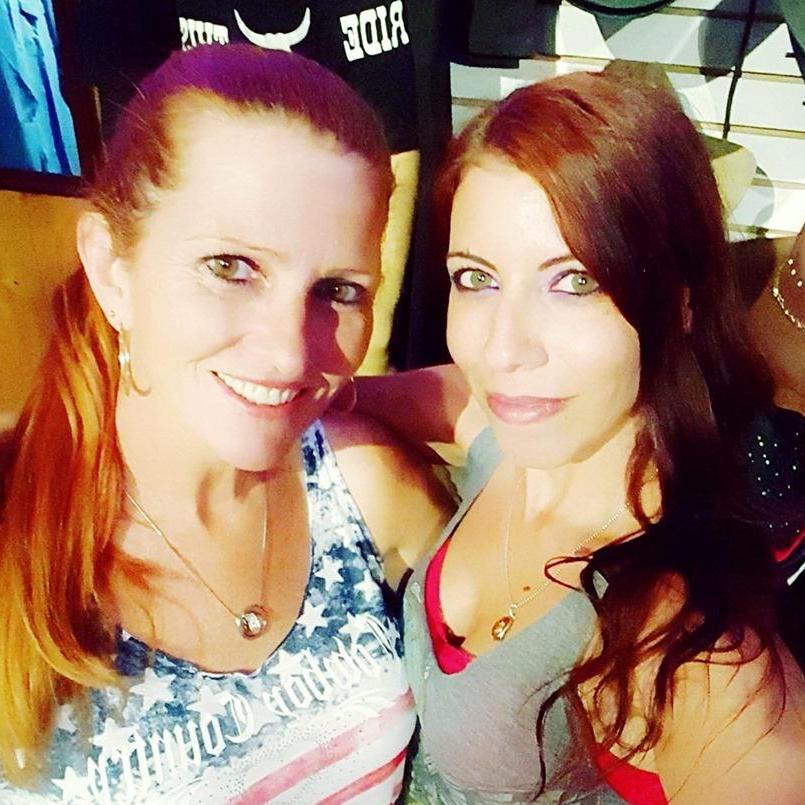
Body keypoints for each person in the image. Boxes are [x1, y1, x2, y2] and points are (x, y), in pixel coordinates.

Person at [0, 44, 451, 802]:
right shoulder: (17, 529)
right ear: (112, 268)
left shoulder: (360, 486)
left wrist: (400, 401)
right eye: (230, 267)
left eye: (337, 290)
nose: (287, 352)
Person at [357, 73, 805, 803]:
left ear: (681, 299)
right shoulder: (517, 441)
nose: (503, 348)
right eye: (475, 279)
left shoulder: (684, 640)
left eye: (575, 282)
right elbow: (450, 396)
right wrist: (318, 399)